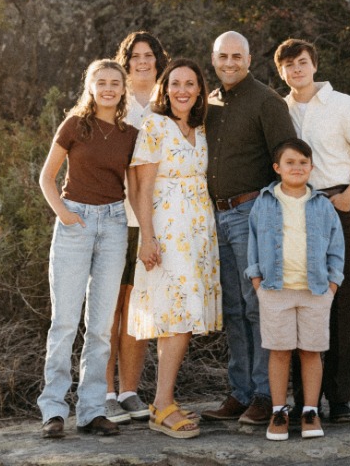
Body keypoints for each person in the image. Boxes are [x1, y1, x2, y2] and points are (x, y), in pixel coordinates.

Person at [274, 38, 350, 424]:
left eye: (301, 62)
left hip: (336, 204)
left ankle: (340, 399)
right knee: (302, 299)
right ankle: (306, 400)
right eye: (288, 66)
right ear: (281, 72)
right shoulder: (279, 108)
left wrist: (349, 196)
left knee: (338, 300)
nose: (296, 70)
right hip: (295, 208)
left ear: (314, 64)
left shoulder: (343, 105)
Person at [37, 60, 138, 439]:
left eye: (115, 83)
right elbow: (47, 176)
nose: (109, 89)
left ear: (123, 89)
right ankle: (53, 409)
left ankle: (93, 410)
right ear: (90, 86)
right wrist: (64, 214)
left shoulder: (130, 133)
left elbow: (136, 186)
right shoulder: (75, 124)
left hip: (114, 225)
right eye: (102, 83)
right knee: (64, 322)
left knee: (100, 327)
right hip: (75, 222)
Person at [202, 31, 296, 426]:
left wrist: (274, 215)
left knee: (258, 306)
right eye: (222, 56)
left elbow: (290, 159)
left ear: (249, 58)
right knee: (234, 307)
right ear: (214, 59)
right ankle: (239, 392)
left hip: (252, 213)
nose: (229, 63)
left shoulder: (267, 102)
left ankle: (265, 394)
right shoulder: (210, 104)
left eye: (236, 56)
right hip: (215, 217)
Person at [129, 58, 222, 439]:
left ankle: (162, 401)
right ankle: (162, 405)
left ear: (200, 90)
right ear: (165, 89)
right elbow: (141, 189)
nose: (182, 90)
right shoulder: (154, 125)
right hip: (168, 231)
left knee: (184, 313)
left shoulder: (199, 128)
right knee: (175, 315)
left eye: (190, 84)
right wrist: (147, 237)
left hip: (199, 231)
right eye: (175, 83)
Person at [246, 138, 345, 441]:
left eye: (303, 162)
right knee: (279, 352)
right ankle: (279, 411)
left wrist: (331, 285)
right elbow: (252, 245)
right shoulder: (264, 203)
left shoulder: (322, 206)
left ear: (311, 167)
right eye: (290, 162)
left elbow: (336, 246)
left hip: (314, 291)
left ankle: (310, 412)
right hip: (276, 291)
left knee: (311, 352)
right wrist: (258, 284)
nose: (297, 167)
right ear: (277, 168)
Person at [105, 31, 169, 424]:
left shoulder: (169, 101)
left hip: (158, 221)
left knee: (139, 311)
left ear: (158, 60)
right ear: (125, 62)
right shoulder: (115, 101)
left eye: (149, 55)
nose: (142, 62)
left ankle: (129, 390)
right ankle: (105, 392)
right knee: (109, 309)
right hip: (115, 218)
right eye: (135, 56)